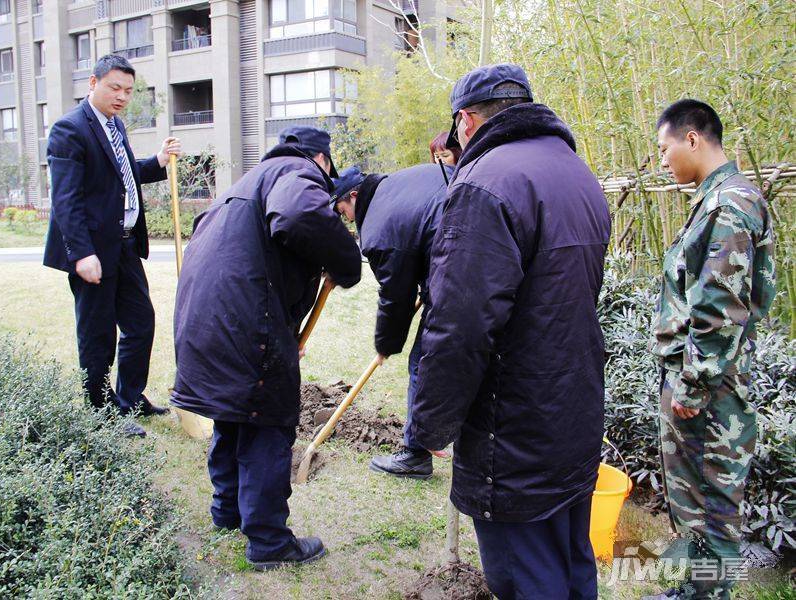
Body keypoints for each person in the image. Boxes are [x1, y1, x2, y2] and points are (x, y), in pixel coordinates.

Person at [409, 64, 611, 598]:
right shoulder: (578, 174)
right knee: (571, 562)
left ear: (465, 121)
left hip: (513, 429)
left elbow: (458, 326)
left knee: (525, 578)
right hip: (574, 411)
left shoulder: (485, 185)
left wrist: (429, 426)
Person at [172, 126, 361, 571]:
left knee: (235, 411)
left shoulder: (246, 182)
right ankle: (269, 542)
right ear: (323, 160)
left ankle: (228, 510)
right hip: (243, 319)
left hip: (204, 318)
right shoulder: (298, 171)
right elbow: (297, 216)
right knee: (266, 419)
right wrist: (345, 262)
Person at [644, 100, 776, 600]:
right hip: (701, 382)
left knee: (714, 505)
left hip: (709, 390)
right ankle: (696, 591)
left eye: (664, 148)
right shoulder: (715, 200)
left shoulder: (729, 206)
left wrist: (692, 388)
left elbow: (721, 308)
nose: (662, 160)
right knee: (696, 502)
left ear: (692, 139)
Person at [44, 54, 180, 438]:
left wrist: (157, 161)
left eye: (128, 91)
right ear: (93, 83)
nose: (121, 97)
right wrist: (81, 254)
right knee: (98, 332)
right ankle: (100, 411)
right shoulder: (69, 130)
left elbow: (122, 173)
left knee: (141, 323)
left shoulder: (114, 125)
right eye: (114, 88)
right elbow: (65, 199)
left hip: (124, 246)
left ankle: (131, 398)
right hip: (92, 252)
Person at [330, 158, 453, 480]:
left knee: (423, 362)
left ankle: (415, 453)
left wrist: (386, 344)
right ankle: (447, 433)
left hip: (456, 274)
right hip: (469, 259)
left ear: (354, 196)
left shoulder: (378, 228)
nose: (344, 217)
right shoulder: (402, 181)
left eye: (341, 208)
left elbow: (395, 296)